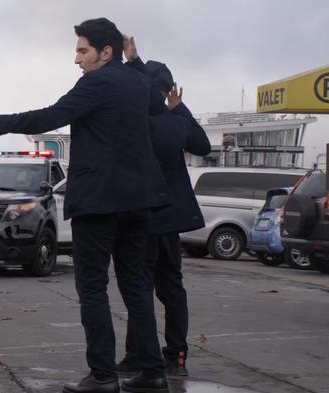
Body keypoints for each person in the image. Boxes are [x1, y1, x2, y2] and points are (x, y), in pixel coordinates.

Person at [0, 18, 170, 393]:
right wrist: (133, 60)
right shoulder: (138, 81)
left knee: (94, 288)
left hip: (99, 202)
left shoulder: (97, 83)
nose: (76, 59)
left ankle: (102, 377)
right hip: (138, 202)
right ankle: (153, 372)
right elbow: (155, 102)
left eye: (82, 50)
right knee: (137, 287)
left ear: (105, 52)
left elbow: (51, 115)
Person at [115, 37, 210, 379]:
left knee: (138, 288)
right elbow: (203, 145)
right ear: (168, 90)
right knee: (171, 287)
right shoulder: (174, 122)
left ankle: (135, 356)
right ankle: (176, 355)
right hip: (169, 219)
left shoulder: (136, 120)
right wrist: (179, 108)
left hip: (143, 217)